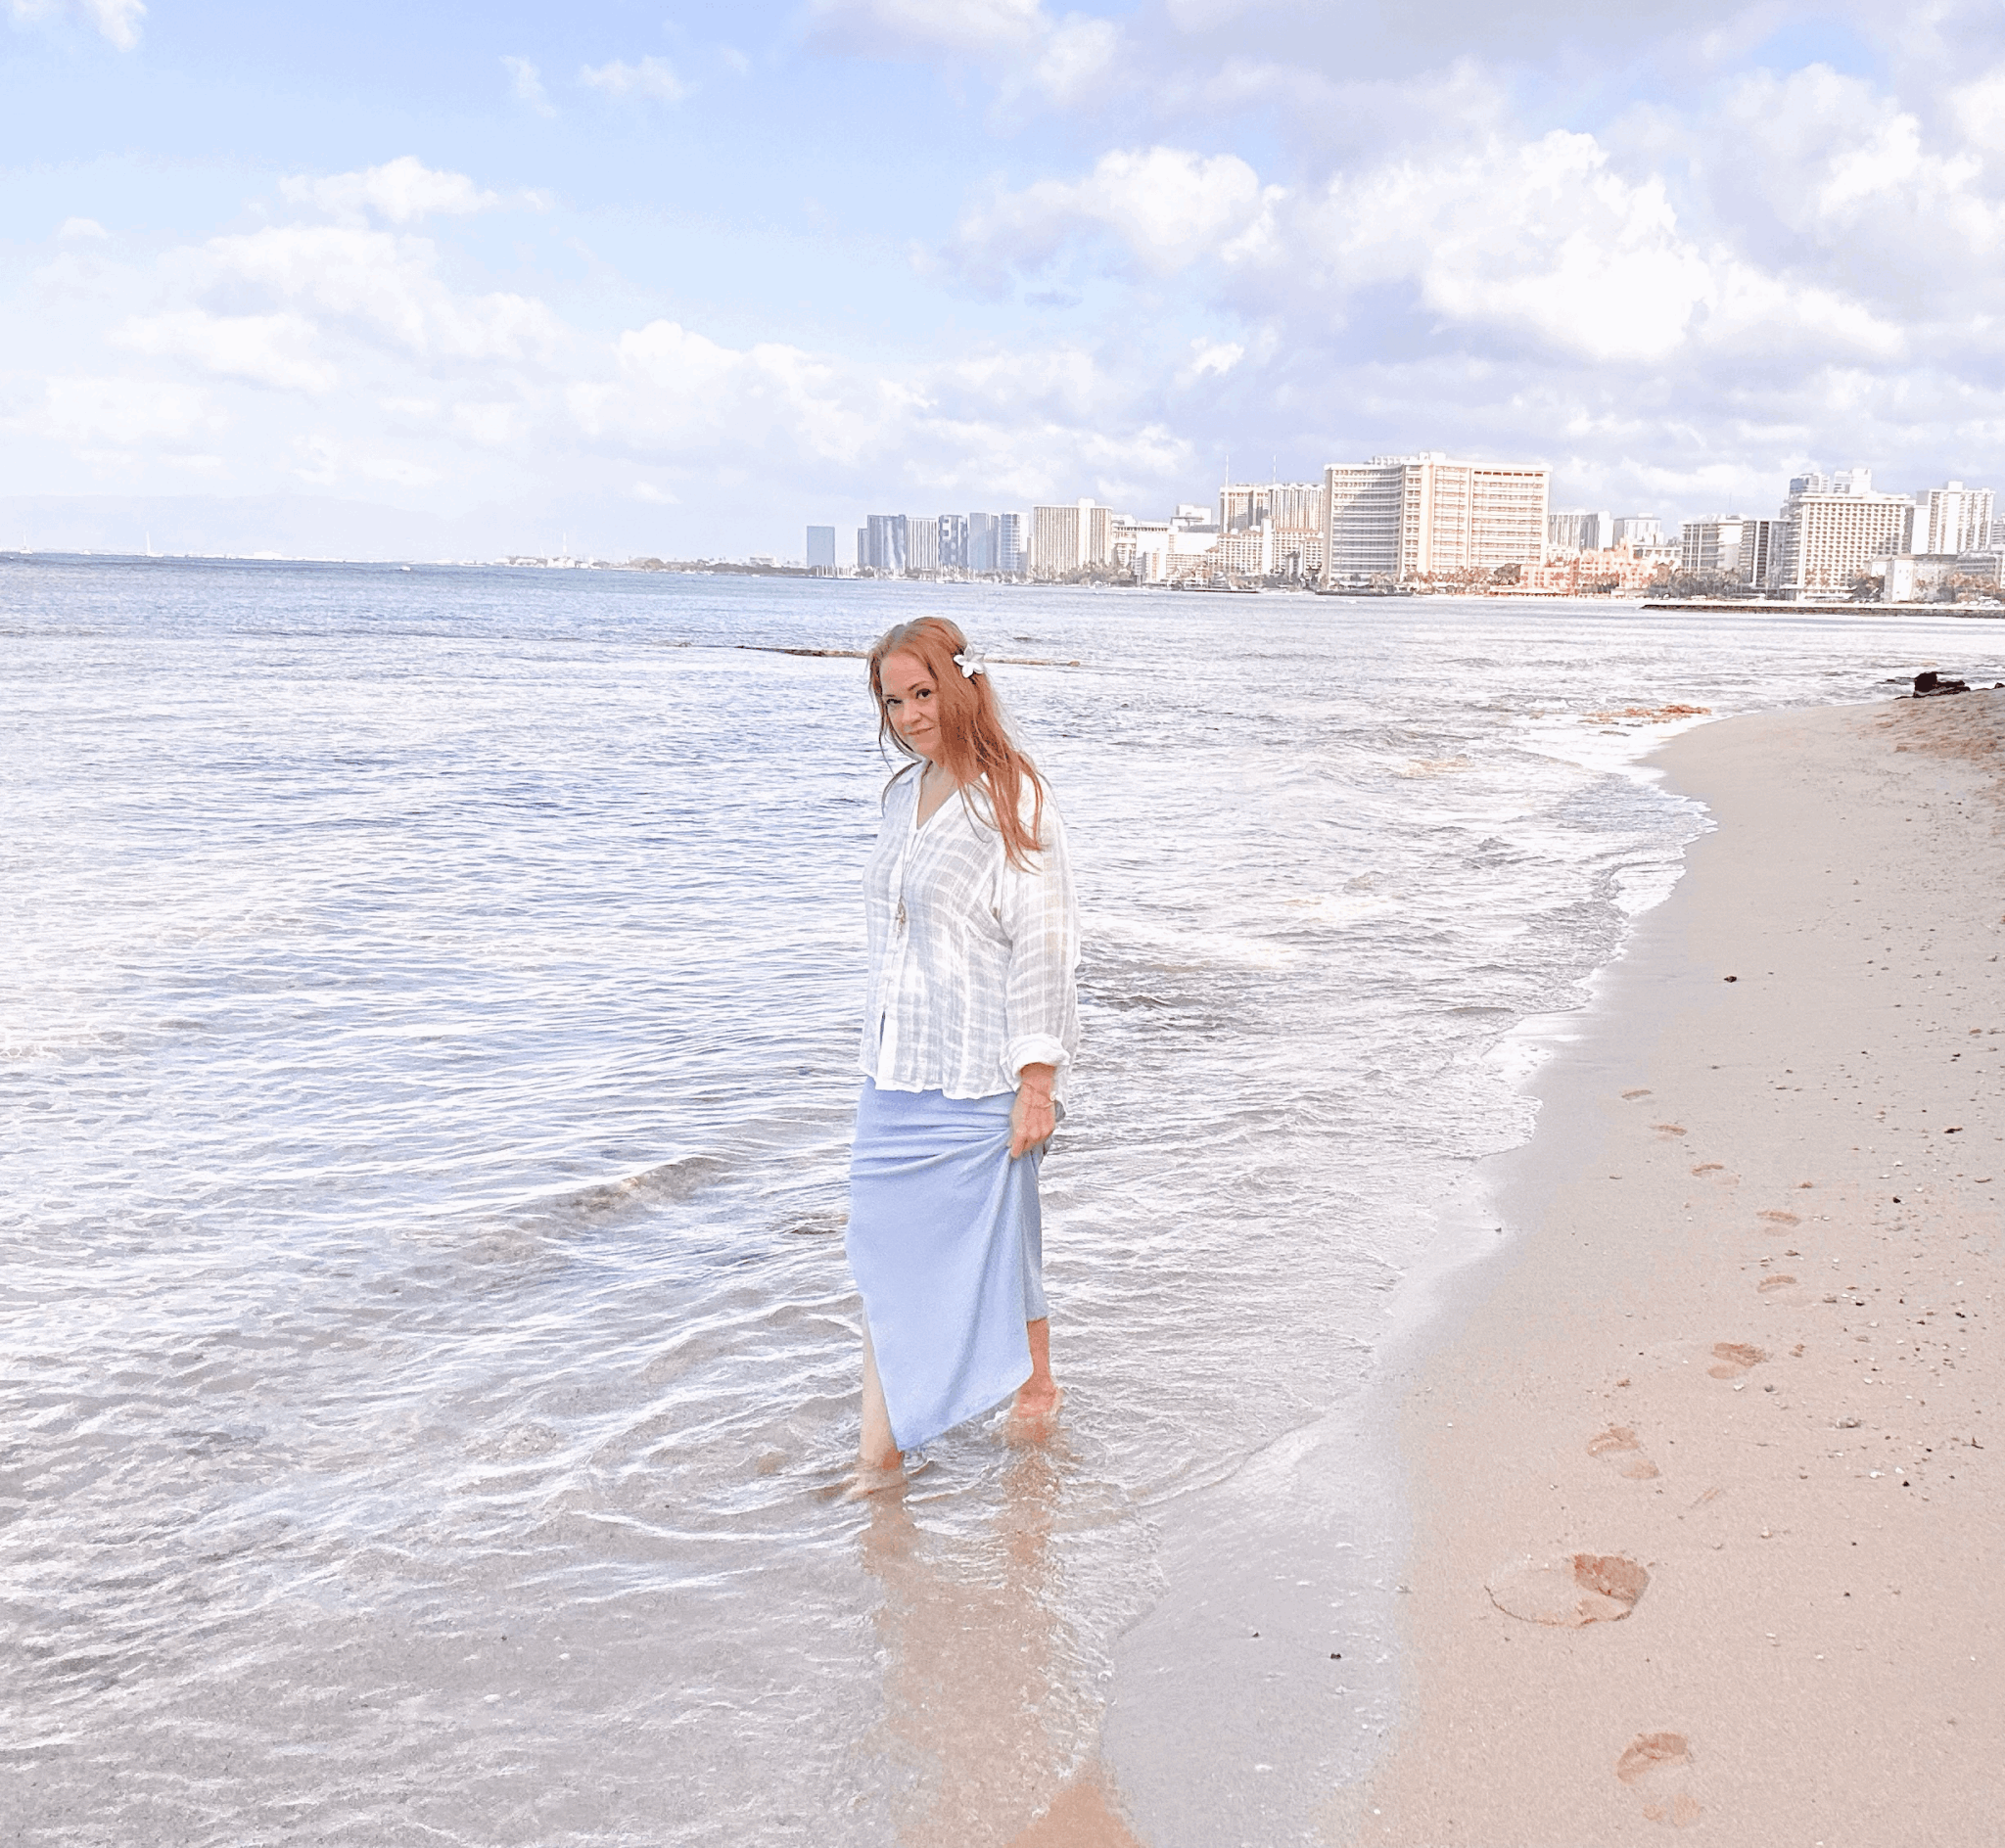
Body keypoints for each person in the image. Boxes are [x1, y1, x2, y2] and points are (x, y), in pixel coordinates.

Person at [846, 615, 1080, 1487]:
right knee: (879, 1252)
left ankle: (899, 1449)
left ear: (961, 686)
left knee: (1004, 1242)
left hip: (981, 1073)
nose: (910, 715)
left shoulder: (1013, 799)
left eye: (923, 692)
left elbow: (1044, 945)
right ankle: (895, 1439)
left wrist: (1036, 1079)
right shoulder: (901, 795)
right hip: (893, 1072)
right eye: (893, 700)